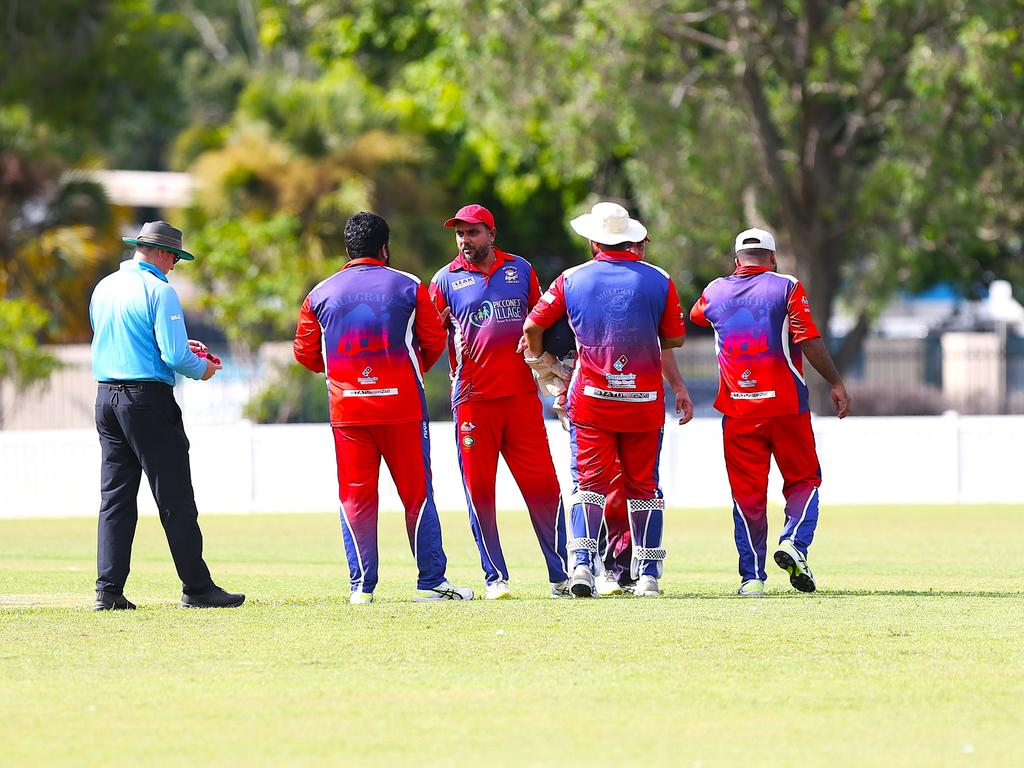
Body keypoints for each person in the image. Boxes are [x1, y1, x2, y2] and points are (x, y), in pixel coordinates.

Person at [293, 211, 473, 604]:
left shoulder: (320, 293)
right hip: (402, 409)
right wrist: (409, 374)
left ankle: (361, 588)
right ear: (385, 248)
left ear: (348, 249)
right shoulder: (409, 285)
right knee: (417, 494)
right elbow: (433, 340)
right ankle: (430, 584)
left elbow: (305, 354)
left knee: (356, 497)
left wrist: (345, 373)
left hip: (348, 412)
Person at [523, 202, 687, 598]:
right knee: (644, 487)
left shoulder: (571, 278)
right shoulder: (659, 279)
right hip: (644, 399)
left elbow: (532, 326)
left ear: (594, 240)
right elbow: (676, 338)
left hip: (592, 398)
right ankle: (647, 576)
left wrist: (545, 367)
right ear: (630, 238)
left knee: (588, 484)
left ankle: (581, 568)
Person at [89, 220, 244, 610]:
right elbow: (175, 357)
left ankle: (108, 591)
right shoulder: (160, 290)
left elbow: (117, 336)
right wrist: (203, 368)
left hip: (106, 399)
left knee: (115, 499)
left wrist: (178, 347)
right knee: (174, 495)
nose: (174, 264)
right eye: (174, 256)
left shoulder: (104, 287)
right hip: (147, 400)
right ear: (160, 252)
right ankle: (197, 588)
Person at [689, 227, 851, 596]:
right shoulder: (787, 286)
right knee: (804, 480)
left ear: (736, 260)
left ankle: (752, 579)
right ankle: (793, 541)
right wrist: (836, 382)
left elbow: (697, 315)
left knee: (747, 494)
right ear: (773, 257)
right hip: (786, 406)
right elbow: (808, 338)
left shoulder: (714, 290)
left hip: (738, 410)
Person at [429, 204, 570, 599]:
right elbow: (428, 333)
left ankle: (560, 575)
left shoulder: (521, 270)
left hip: (522, 399)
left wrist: (551, 370)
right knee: (479, 491)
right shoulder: (443, 280)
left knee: (543, 486)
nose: (464, 241)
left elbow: (541, 321)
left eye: (472, 232)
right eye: (459, 233)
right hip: (473, 401)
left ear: (491, 234)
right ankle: (495, 578)